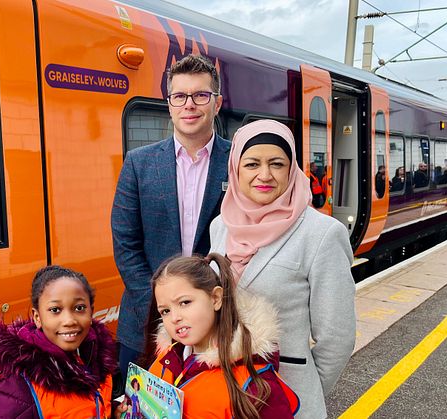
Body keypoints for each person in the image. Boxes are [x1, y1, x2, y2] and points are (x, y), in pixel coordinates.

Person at [209, 119, 355, 418]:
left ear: (292, 169)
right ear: (235, 168)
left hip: (287, 396)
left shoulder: (321, 233)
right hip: (222, 395)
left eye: (277, 163)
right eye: (251, 164)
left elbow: (337, 337)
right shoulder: (220, 226)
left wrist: (306, 391)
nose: (265, 175)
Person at [112, 54, 231, 377]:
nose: (189, 105)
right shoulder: (138, 164)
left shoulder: (238, 161)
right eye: (179, 96)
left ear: (216, 103)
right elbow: (125, 244)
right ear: (169, 104)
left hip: (217, 327)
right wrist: (162, 305)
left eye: (200, 95)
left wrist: (208, 307)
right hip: (145, 326)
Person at [141, 253, 299, 418]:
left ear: (216, 298)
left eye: (185, 302)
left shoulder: (255, 385)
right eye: (165, 311)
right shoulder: (166, 357)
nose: (175, 318)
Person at [0, 266, 121, 418]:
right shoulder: (20, 384)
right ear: (37, 317)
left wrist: (113, 412)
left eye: (79, 307)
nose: (69, 320)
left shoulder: (97, 358)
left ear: (91, 311)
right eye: (55, 310)